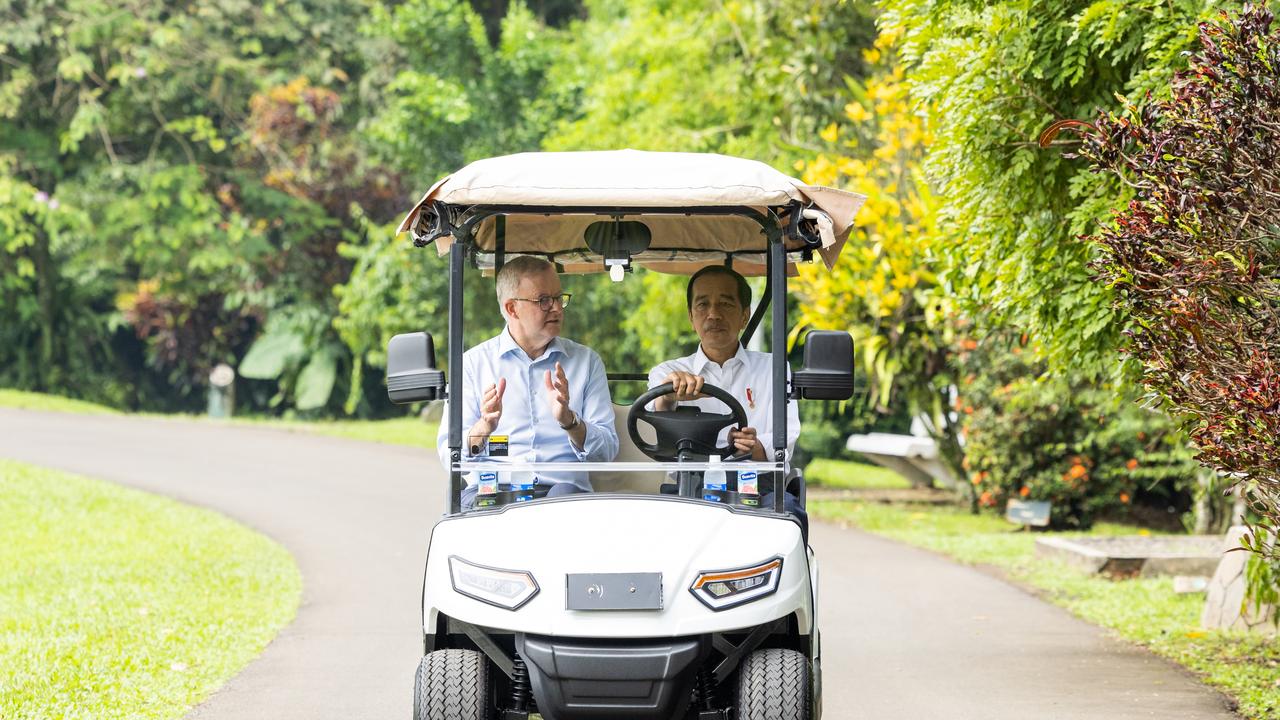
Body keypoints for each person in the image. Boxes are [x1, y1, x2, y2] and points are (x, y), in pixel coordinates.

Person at [438, 255, 618, 508]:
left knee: (566, 502)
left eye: (558, 298)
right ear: (512, 308)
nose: (556, 308)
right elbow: (450, 455)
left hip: (561, 493)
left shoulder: (586, 362)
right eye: (544, 300)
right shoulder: (472, 365)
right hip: (492, 488)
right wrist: (484, 427)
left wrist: (570, 422)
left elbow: (607, 452)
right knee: (475, 511)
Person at [647, 265, 806, 533]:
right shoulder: (666, 373)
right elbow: (657, 418)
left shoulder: (773, 368)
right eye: (703, 305)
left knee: (789, 519)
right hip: (690, 486)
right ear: (691, 316)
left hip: (757, 485)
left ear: (744, 316)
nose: (713, 314)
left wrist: (754, 447)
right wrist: (669, 395)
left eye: (725, 303)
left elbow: (785, 437)